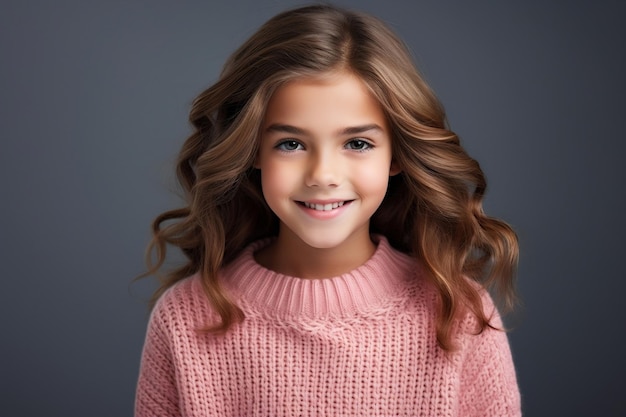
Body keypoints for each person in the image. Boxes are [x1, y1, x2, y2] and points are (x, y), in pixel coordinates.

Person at [135, 4, 521, 416]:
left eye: (357, 144)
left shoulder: (458, 313)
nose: (323, 175)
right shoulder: (184, 319)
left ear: (396, 156)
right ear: (253, 151)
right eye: (291, 143)